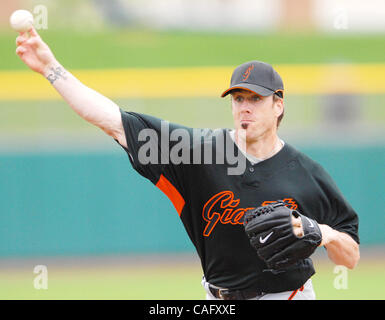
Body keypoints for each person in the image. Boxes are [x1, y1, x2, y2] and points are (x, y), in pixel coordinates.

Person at [15, 27, 360, 300]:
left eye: (255, 98)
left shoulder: (307, 174)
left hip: (288, 295)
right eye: (239, 98)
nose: (245, 107)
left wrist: (324, 234)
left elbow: (351, 257)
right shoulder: (195, 154)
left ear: (278, 105)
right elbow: (112, 120)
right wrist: (50, 68)